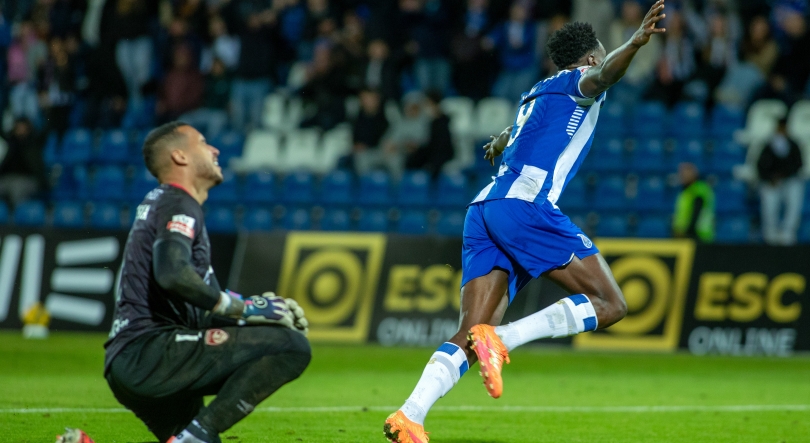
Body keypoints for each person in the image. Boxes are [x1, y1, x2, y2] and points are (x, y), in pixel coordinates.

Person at [384, 1, 667, 441]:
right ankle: (505, 339)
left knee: (470, 331)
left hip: (483, 210)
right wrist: (633, 43)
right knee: (611, 304)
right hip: (524, 206)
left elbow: (516, 135)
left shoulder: (534, 92)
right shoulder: (579, 81)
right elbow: (606, 74)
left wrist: (501, 141)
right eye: (602, 51)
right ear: (591, 56)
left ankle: (409, 415)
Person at [104, 122, 311, 443]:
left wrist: (257, 309)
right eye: (202, 143)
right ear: (179, 157)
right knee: (291, 345)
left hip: (131, 360)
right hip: (152, 354)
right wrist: (247, 309)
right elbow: (173, 275)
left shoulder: (162, 202)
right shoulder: (178, 203)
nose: (215, 149)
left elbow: (195, 302)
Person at [757, 118, 804, 245]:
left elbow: (799, 165)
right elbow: (760, 166)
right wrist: (771, 178)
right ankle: (770, 234)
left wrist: (784, 175)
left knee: (796, 189)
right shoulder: (768, 146)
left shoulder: (793, 145)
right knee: (768, 194)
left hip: (789, 181)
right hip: (772, 182)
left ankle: (788, 232)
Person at [403, 90, 454, 179]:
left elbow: (443, 148)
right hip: (431, 157)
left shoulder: (444, 123)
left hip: (442, 158)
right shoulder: (430, 122)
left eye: (427, 104)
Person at [672, 162, 715, 242]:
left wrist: (688, 231)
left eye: (686, 173)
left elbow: (696, 212)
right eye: (681, 173)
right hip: (685, 236)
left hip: (698, 236)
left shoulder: (699, 189)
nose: (682, 176)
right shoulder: (685, 191)